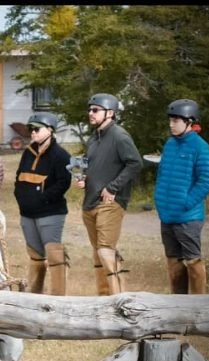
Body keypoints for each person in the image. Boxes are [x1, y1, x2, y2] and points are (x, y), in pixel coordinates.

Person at [76, 93, 142, 295]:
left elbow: (135, 163)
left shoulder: (120, 136)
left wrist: (113, 187)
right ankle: (104, 299)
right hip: (90, 201)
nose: (90, 113)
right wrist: (83, 177)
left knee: (105, 250)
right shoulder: (94, 138)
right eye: (90, 109)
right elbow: (90, 164)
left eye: (95, 110)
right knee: (98, 254)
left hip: (110, 201)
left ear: (110, 113)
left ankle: (120, 299)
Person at [154, 99, 209, 294]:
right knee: (174, 263)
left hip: (188, 218)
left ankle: (198, 308)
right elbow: (162, 174)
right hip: (168, 216)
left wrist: (185, 203)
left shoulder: (200, 147)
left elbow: (207, 181)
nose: (171, 124)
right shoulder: (170, 144)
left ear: (189, 121)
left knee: (193, 261)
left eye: (176, 120)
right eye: (170, 120)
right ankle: (177, 307)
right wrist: (160, 201)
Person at [14, 112, 72, 295]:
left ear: (50, 130)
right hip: (27, 214)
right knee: (35, 256)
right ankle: (35, 296)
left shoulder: (61, 155)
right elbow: (19, 177)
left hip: (50, 213)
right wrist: (21, 198)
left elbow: (64, 183)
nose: (32, 133)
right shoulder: (28, 152)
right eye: (30, 129)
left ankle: (57, 297)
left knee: (54, 254)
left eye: (36, 129)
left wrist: (44, 198)